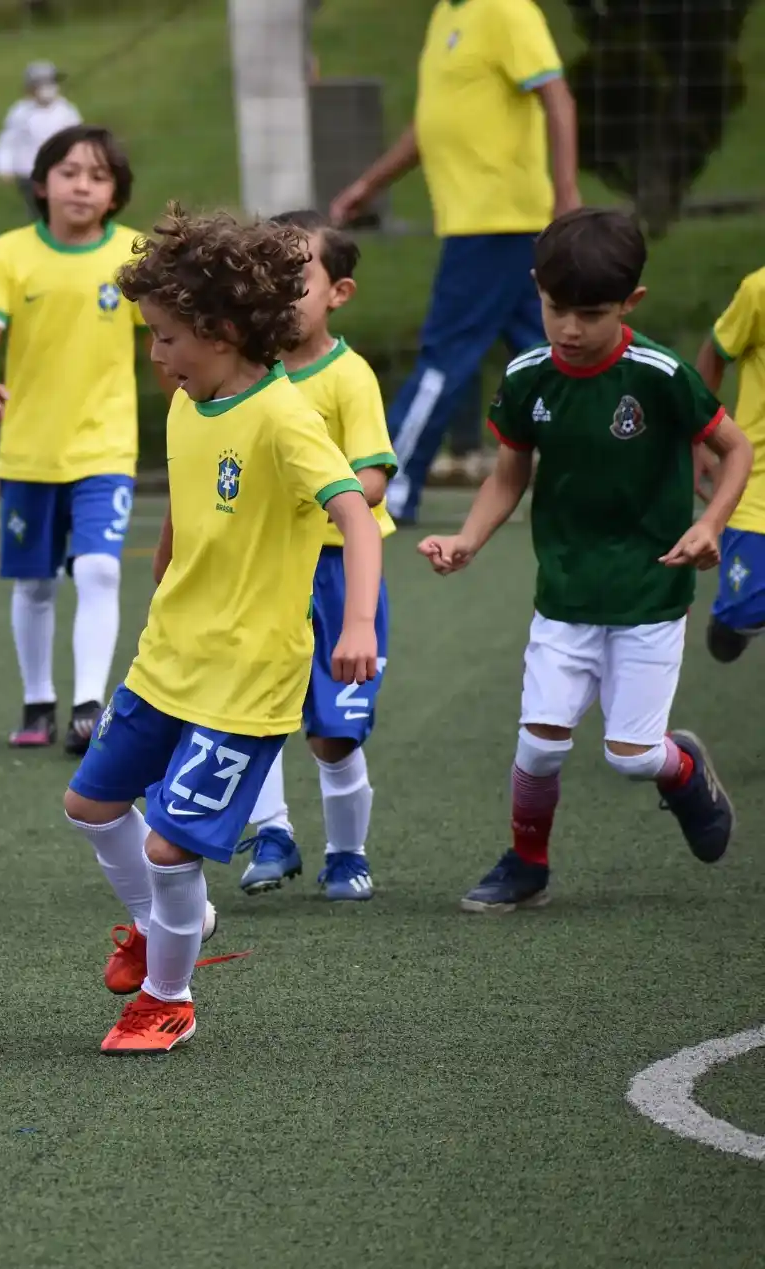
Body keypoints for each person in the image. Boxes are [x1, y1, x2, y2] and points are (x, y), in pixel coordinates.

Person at [66, 207, 383, 1054]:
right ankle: (171, 923)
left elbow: (354, 514)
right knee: (90, 805)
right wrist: (166, 574)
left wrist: (356, 624)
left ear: (227, 331)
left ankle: (168, 995)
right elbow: (184, 507)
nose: (156, 354)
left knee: (171, 846)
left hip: (248, 676)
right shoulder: (186, 404)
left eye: (168, 337)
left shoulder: (283, 418)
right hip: (169, 655)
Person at [418, 209, 747, 913]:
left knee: (631, 757)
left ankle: (683, 771)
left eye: (591, 313)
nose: (569, 328)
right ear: (536, 288)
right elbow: (508, 475)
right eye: (556, 308)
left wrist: (710, 521)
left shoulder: (661, 374)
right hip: (564, 592)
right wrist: (467, 540)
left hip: (650, 590)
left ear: (631, 303)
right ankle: (527, 863)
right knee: (538, 748)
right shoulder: (529, 375)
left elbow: (737, 448)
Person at [331, 0, 579, 524]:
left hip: (497, 222)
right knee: (555, 358)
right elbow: (431, 125)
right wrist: (370, 185)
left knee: (443, 357)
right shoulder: (445, 16)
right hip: (480, 223)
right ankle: (610, 465)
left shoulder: (508, 11)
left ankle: (388, 488)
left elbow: (557, 96)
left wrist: (567, 195)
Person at [0, 124, 145, 755]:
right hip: (30, 451)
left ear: (115, 194)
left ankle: (90, 706)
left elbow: (169, 333)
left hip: (106, 447)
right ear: (42, 184)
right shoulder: (11, 252)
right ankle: (38, 701)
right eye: (70, 172)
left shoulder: (134, 255)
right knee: (36, 582)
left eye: (98, 176)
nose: (82, 186)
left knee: (97, 569)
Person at [236, 211, 395, 903]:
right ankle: (272, 832)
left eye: (296, 278)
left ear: (340, 293)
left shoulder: (347, 377)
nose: (280, 293)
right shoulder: (243, 371)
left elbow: (372, 478)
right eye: (266, 279)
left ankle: (347, 853)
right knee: (252, 712)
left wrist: (308, 493)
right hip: (265, 572)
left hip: (335, 571)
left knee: (333, 734)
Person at [696, 265, 765, 662]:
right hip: (756, 483)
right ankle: (735, 618)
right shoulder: (757, 291)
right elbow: (715, 351)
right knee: (732, 627)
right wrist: (702, 436)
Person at [0, 61, 81, 220]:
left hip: (61, 170)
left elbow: (78, 138)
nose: (50, 88)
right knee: (40, 215)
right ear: (31, 88)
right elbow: (7, 142)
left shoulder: (66, 111)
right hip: (30, 174)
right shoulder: (20, 113)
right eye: (44, 84)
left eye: (52, 83)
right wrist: (4, 168)